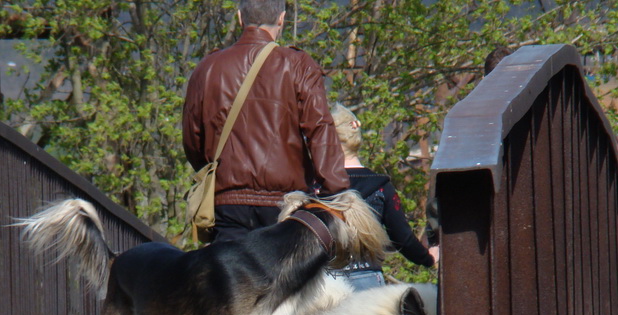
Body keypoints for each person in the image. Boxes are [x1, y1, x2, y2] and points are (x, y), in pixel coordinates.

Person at [182, 0, 349, 243]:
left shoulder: (207, 68)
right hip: (286, 206)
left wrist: (215, 172)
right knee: (285, 280)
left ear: (240, 18)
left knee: (231, 278)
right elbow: (320, 130)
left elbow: (192, 140)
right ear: (281, 19)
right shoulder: (298, 65)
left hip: (227, 204)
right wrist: (335, 193)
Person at [328, 103, 438, 290]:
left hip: (325, 283)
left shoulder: (316, 187)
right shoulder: (381, 187)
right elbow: (402, 238)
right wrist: (427, 258)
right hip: (366, 279)